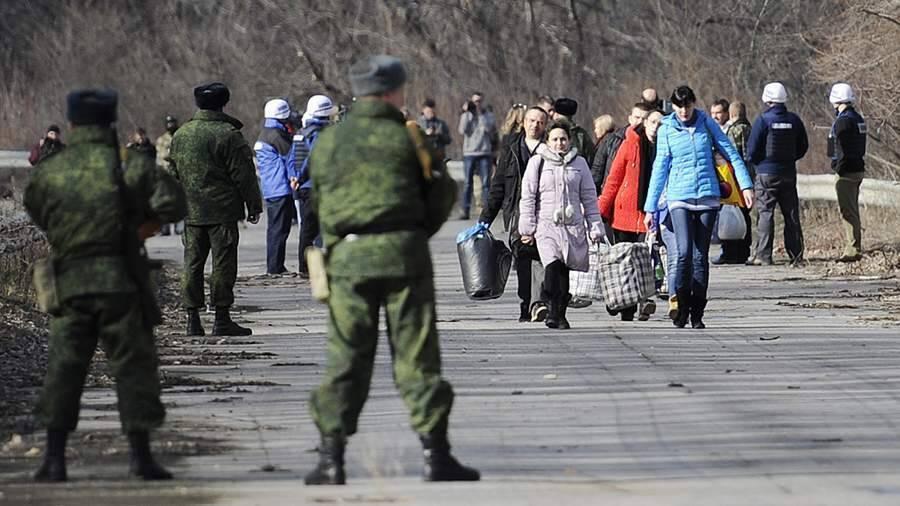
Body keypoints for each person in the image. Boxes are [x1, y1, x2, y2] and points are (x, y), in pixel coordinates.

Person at [304, 55, 478, 485]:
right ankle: (436, 454)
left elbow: (318, 202)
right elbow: (441, 193)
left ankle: (331, 457)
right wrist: (415, 232)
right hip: (404, 254)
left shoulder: (330, 141)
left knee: (346, 353)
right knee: (416, 353)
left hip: (348, 258)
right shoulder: (410, 138)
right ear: (394, 92)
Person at [24, 89, 187, 482]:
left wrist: (69, 234)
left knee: (64, 367)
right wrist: (136, 229)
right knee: (133, 367)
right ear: (111, 122)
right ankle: (140, 457)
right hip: (122, 282)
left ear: (73, 123)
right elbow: (175, 205)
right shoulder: (130, 164)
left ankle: (54, 459)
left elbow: (35, 206)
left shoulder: (52, 169)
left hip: (69, 282)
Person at [643, 86, 753, 329]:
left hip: (707, 197)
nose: (684, 111)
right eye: (679, 106)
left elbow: (731, 153)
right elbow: (660, 167)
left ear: (694, 104)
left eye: (688, 105)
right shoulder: (668, 129)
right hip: (679, 197)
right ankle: (680, 305)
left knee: (700, 256)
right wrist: (650, 208)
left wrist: (745, 185)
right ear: (672, 106)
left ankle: (697, 312)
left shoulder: (706, 123)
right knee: (683, 253)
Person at [168, 82, 262, 337]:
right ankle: (221, 319)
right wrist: (253, 204)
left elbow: (172, 174)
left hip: (191, 211)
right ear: (224, 102)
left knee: (192, 264)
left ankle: (192, 321)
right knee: (222, 265)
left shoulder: (181, 134)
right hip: (222, 211)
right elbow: (244, 175)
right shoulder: (228, 134)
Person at [519, 121, 604, 329]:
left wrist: (595, 226)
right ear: (547, 141)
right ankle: (549, 303)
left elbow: (589, 198)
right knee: (552, 265)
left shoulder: (580, 164)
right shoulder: (538, 162)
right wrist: (527, 227)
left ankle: (559, 314)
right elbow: (528, 196)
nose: (559, 143)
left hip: (572, 225)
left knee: (565, 269)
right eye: (555, 139)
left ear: (569, 141)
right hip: (546, 225)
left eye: (563, 139)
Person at [480, 106, 550, 322]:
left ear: (545, 125)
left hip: (544, 213)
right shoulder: (511, 149)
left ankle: (538, 303)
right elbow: (498, 186)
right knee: (523, 258)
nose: (534, 125)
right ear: (524, 122)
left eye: (539, 122)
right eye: (531, 120)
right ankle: (526, 303)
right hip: (517, 214)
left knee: (540, 256)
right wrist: (485, 220)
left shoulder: (551, 149)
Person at [599, 110, 664, 321]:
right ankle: (625, 306)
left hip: (650, 214)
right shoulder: (629, 144)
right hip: (624, 213)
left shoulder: (667, 147)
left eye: (661, 123)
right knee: (624, 263)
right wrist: (601, 210)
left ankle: (645, 300)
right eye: (653, 122)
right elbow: (614, 179)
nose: (656, 127)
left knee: (645, 260)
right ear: (645, 123)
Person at [745, 82, 809, 266]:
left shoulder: (763, 120)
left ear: (767, 99)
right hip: (788, 172)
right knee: (791, 214)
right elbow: (803, 146)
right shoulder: (794, 120)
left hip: (766, 174)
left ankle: (763, 255)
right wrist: (790, 160)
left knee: (765, 213)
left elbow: (752, 150)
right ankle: (796, 255)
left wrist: (759, 163)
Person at [294, 94, 337, 277]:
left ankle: (305, 266)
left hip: (304, 189)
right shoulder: (325, 134)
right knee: (320, 229)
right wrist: (302, 177)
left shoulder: (301, 133)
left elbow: (292, 159)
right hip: (318, 185)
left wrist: (294, 178)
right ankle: (311, 267)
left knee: (307, 229)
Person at [254, 98, 296, 275]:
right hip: (281, 188)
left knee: (274, 230)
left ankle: (274, 265)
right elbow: (291, 158)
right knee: (280, 230)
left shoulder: (265, 133)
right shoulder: (277, 136)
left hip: (271, 188)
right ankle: (276, 267)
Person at [828, 82, 867, 263]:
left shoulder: (843, 121)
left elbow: (841, 147)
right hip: (858, 168)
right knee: (852, 209)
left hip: (847, 172)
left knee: (847, 211)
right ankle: (854, 246)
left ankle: (852, 250)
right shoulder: (858, 118)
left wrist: (838, 167)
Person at [715, 101, 754, 265]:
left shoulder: (733, 131)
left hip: (733, 178)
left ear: (730, 114)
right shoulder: (750, 129)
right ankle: (744, 251)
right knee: (745, 216)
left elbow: (731, 155)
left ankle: (729, 252)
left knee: (730, 215)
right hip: (748, 176)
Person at [591, 103, 652, 193]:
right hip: (611, 194)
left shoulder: (651, 144)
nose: (640, 122)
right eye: (637, 117)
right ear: (630, 119)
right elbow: (597, 171)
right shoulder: (611, 140)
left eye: (643, 119)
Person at [457, 92, 496, 219]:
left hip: (484, 152)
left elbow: (489, 129)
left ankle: (486, 211)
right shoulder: (466, 115)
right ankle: (465, 210)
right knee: (468, 182)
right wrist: (468, 114)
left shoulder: (488, 115)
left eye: (479, 101)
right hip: (469, 152)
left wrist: (480, 115)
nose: (476, 104)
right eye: (474, 101)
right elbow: (462, 130)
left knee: (486, 183)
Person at [156, 115, 183, 236]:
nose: (171, 126)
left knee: (181, 200)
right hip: (166, 174)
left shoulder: (182, 136)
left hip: (180, 174)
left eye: (172, 123)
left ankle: (180, 227)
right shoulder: (162, 140)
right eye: (169, 123)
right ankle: (164, 227)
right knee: (165, 202)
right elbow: (161, 157)